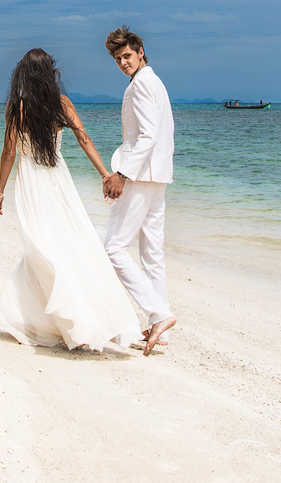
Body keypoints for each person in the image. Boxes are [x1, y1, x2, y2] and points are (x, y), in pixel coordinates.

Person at [0, 48, 142, 351]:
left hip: (31, 182)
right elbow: (84, 139)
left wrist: (0, 191)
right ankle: (77, 312)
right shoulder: (61, 104)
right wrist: (106, 174)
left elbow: (9, 152)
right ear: (50, 73)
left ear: (23, 74)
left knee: (40, 245)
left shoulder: (14, 107)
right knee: (69, 240)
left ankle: (55, 315)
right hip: (58, 179)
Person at [101, 26, 177, 356]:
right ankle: (160, 333)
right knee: (151, 255)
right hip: (157, 176)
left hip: (142, 175)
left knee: (114, 248)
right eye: (118, 58)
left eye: (127, 55)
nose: (123, 62)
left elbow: (148, 136)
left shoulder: (144, 83)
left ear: (141, 51)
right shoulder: (153, 81)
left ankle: (159, 314)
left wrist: (121, 174)